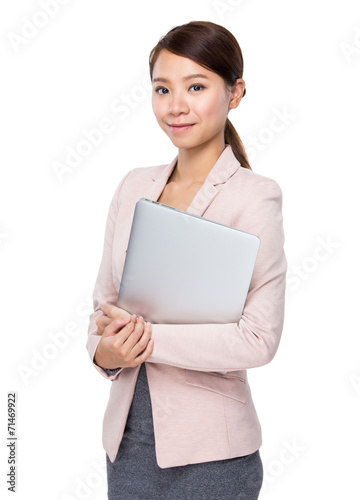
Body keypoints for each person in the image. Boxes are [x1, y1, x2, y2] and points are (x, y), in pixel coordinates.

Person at [86, 20, 287, 500]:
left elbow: (258, 340)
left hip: (213, 457)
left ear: (235, 92)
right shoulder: (133, 186)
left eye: (196, 86)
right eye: (162, 89)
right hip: (127, 447)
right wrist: (105, 354)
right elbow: (101, 311)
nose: (175, 106)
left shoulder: (255, 198)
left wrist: (149, 340)